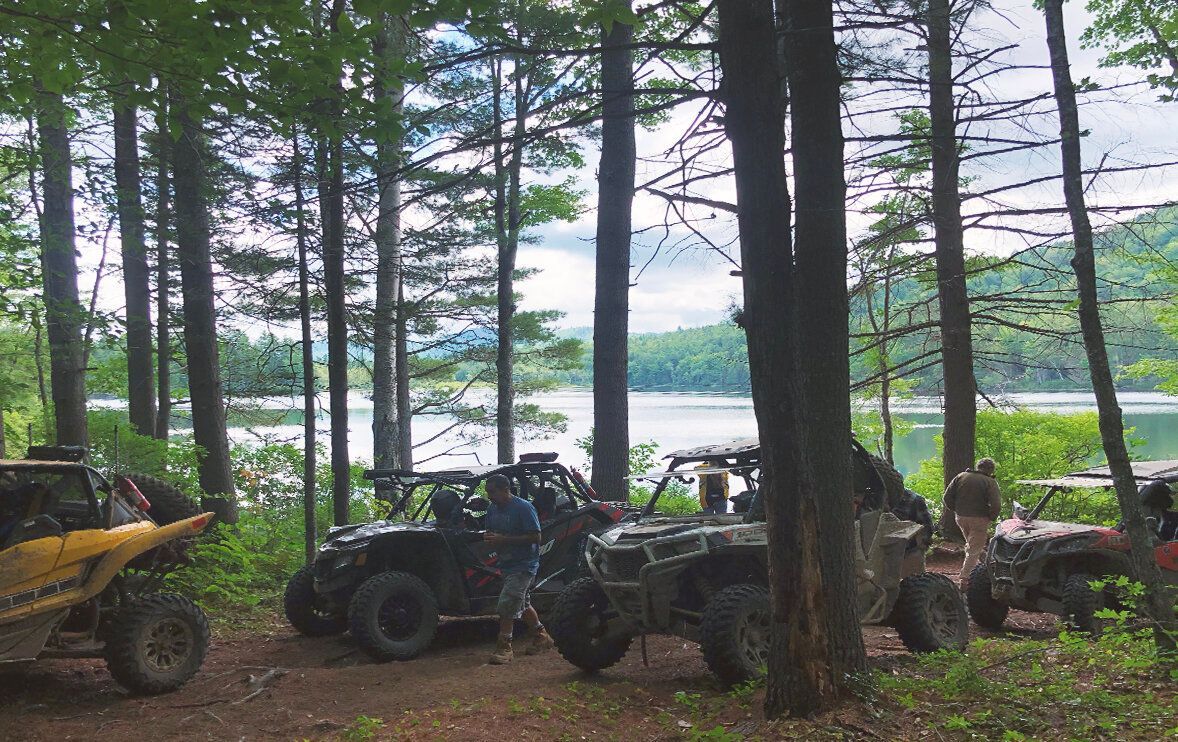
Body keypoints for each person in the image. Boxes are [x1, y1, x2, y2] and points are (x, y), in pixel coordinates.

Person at [483, 474, 553, 664]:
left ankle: (505, 647)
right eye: (488, 492)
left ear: (506, 489)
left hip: (525, 564)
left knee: (507, 602)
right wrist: (490, 538)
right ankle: (541, 636)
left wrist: (503, 540)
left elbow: (536, 537)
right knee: (522, 602)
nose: (489, 496)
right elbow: (491, 531)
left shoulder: (523, 508)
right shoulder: (492, 509)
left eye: (492, 492)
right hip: (506, 563)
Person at [943, 457, 1002, 589]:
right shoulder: (990, 482)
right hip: (979, 519)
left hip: (960, 518)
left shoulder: (961, 476)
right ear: (991, 469)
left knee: (973, 545)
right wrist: (991, 517)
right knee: (973, 549)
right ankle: (964, 581)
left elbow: (946, 497)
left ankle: (991, 566)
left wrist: (956, 510)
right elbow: (996, 504)